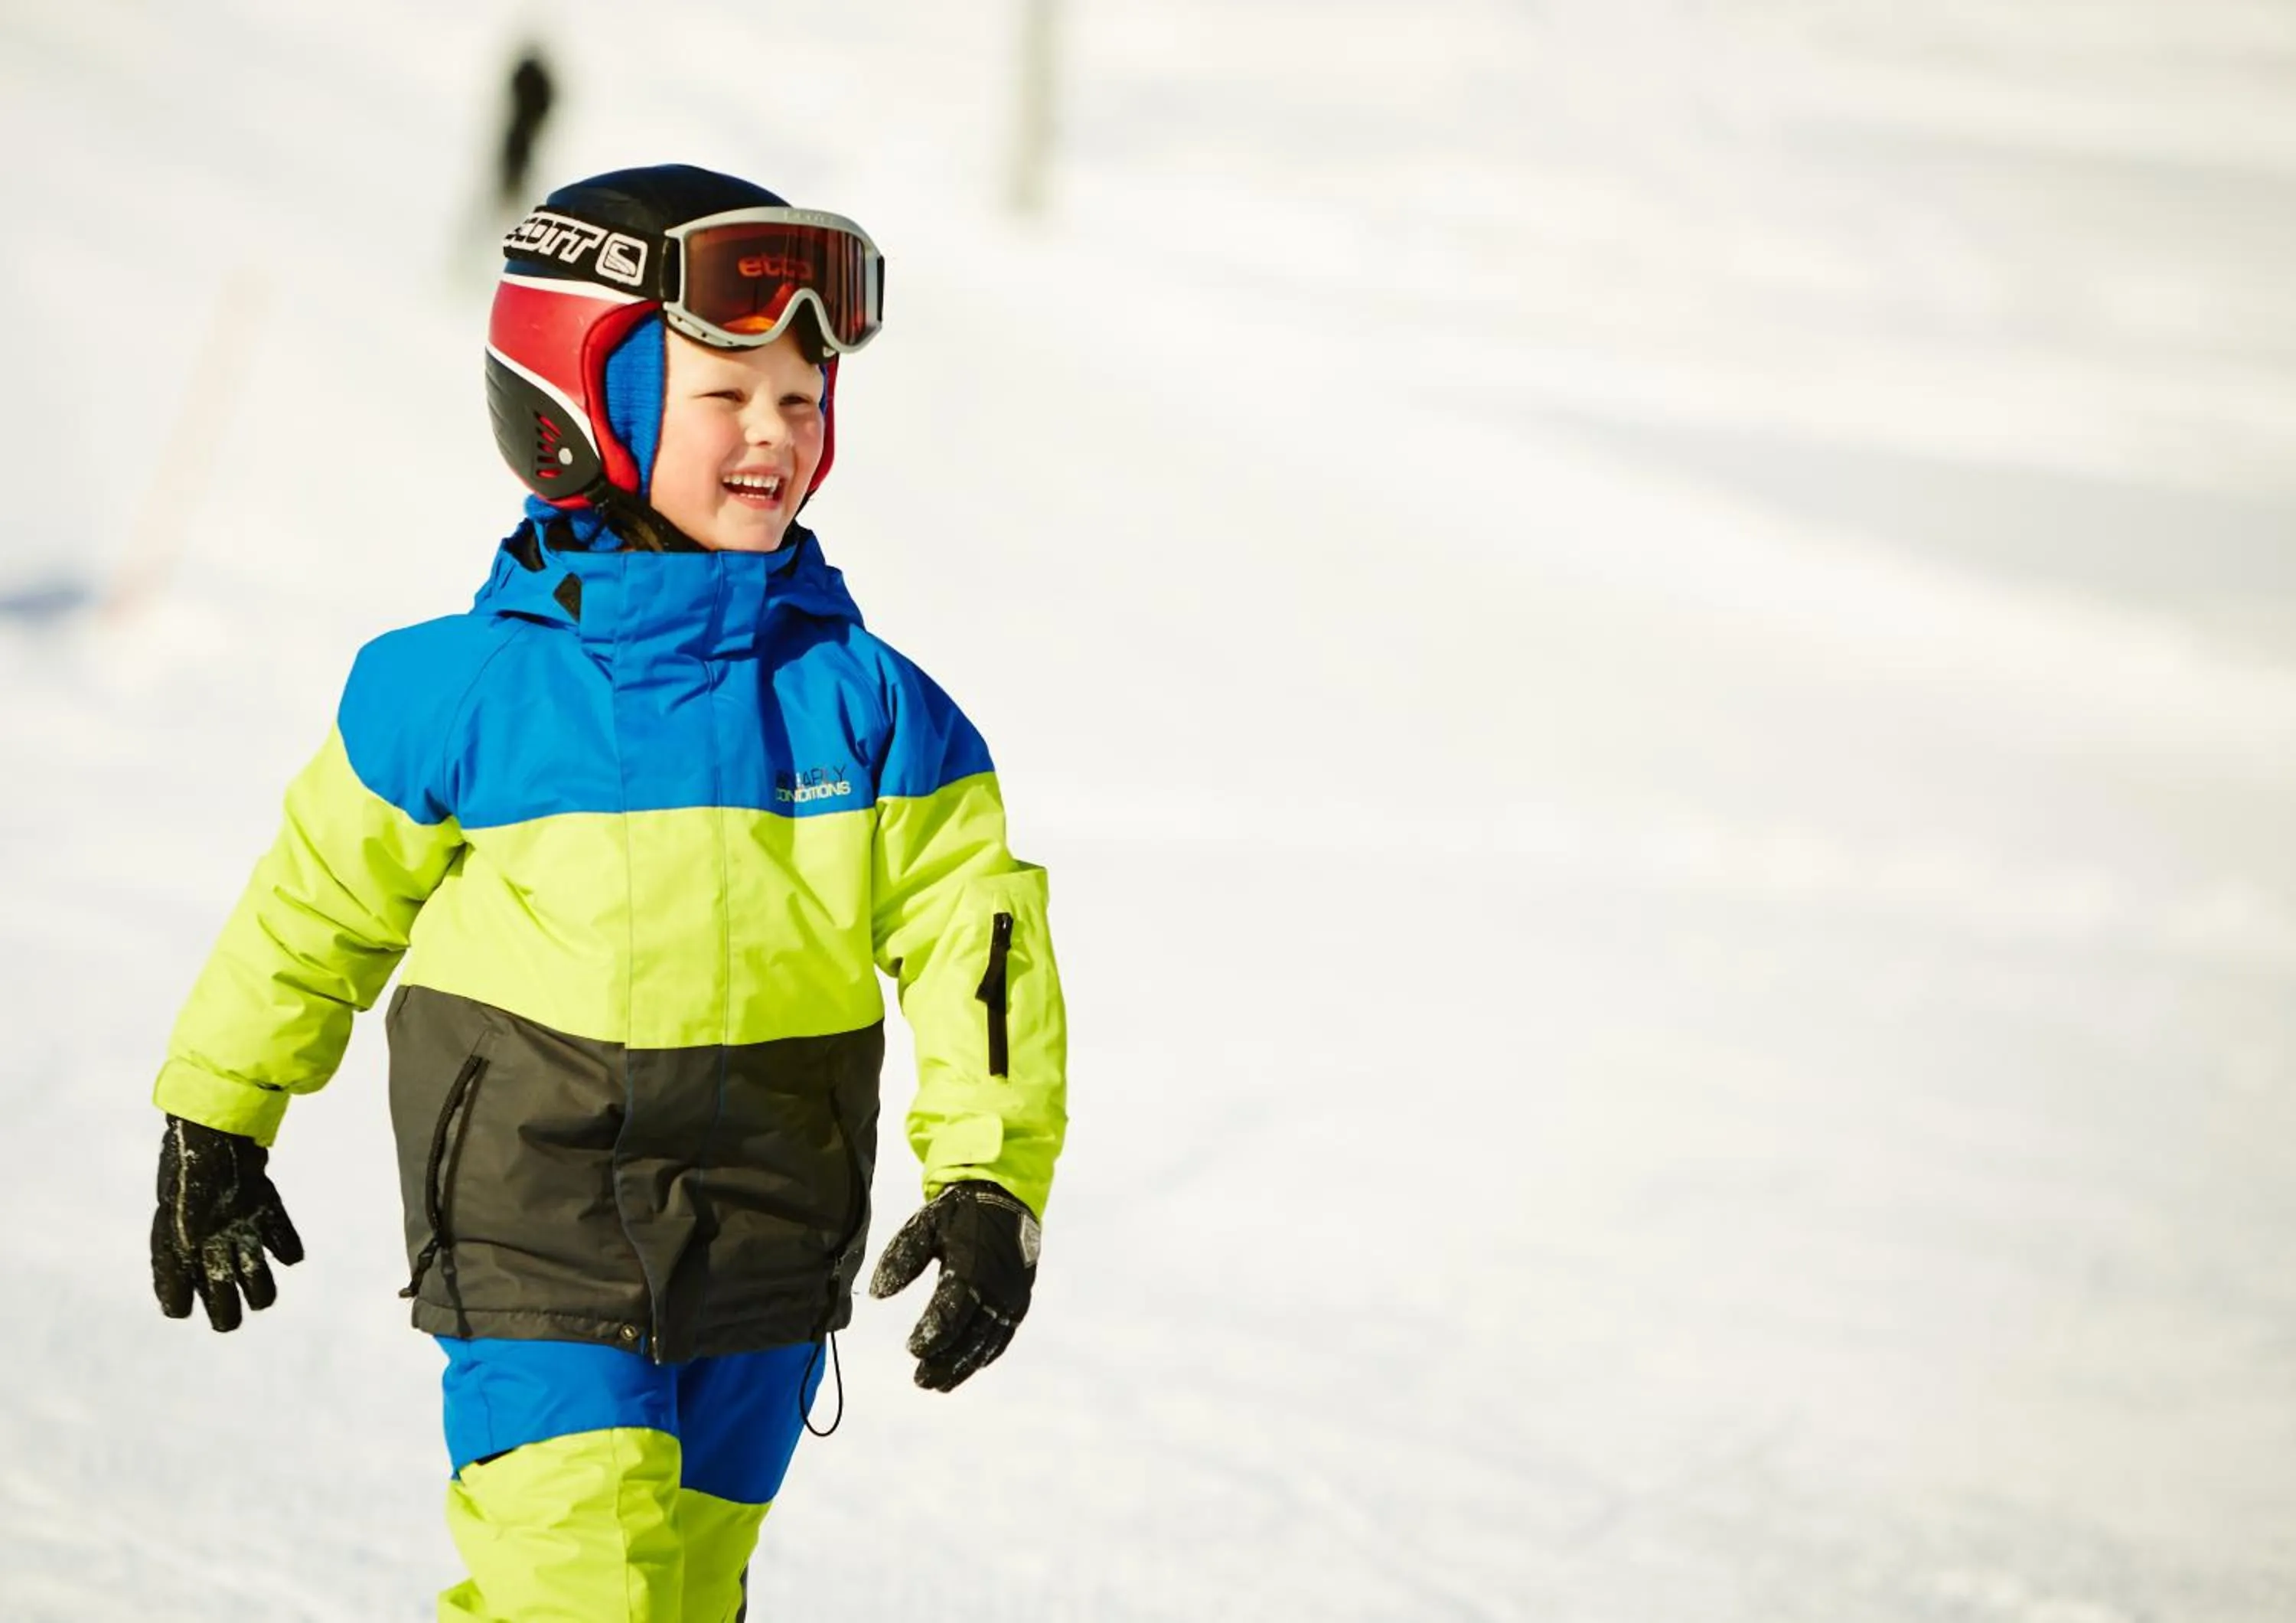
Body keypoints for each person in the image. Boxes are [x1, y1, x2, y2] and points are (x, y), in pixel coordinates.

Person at [145, 163, 1069, 1622]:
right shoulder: (458, 694)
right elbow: (312, 914)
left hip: (768, 1236)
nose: (775, 432)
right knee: (577, 1594)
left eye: (804, 398)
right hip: (538, 1228)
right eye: (727, 395)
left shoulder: (870, 710)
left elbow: (979, 942)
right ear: (585, 407)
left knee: (686, 1594)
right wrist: (219, 1108)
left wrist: (990, 1178)